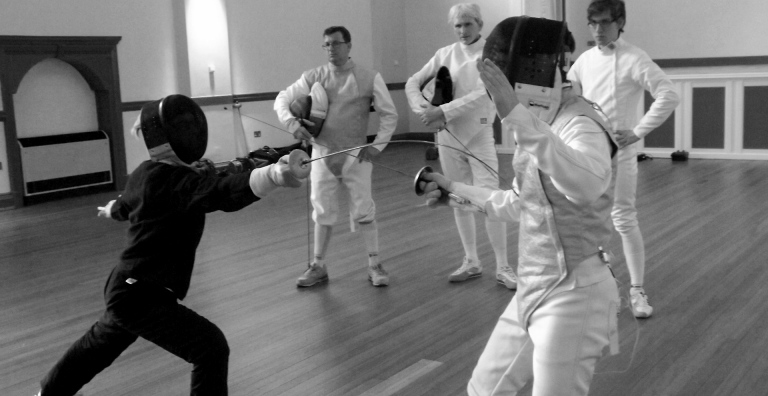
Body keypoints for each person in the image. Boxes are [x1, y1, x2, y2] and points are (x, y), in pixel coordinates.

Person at [35, 94, 307, 396]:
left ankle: (49, 392)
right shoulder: (171, 182)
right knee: (210, 348)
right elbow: (219, 193)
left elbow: (126, 204)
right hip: (140, 293)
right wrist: (273, 176)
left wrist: (111, 209)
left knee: (100, 344)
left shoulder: (146, 174)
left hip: (129, 288)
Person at [419, 17, 621, 395]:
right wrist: (454, 190)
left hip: (576, 293)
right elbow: (519, 203)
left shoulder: (581, 123)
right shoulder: (541, 120)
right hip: (533, 286)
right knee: (484, 389)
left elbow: (587, 186)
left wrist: (516, 115)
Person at [568, 0, 679, 319]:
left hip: (622, 153)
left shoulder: (634, 58)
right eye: (593, 24)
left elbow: (669, 95)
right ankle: (594, 285)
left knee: (624, 218)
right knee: (585, 218)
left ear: (619, 22)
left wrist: (637, 131)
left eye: (604, 23)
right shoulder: (584, 61)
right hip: (588, 152)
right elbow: (569, 99)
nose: (598, 30)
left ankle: (637, 290)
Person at [274, 26, 398, 287]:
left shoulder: (368, 76)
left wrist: (377, 145)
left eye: (336, 44)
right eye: (327, 44)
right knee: (321, 210)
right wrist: (292, 124)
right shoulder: (314, 76)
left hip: (356, 154)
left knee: (364, 208)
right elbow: (282, 99)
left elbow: (390, 114)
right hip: (321, 153)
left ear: (349, 45)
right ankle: (318, 266)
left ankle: (374, 264)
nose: (331, 49)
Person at [405, 3, 516, 289]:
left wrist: (442, 112)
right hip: (447, 136)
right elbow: (412, 83)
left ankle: (503, 266)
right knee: (456, 195)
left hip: (479, 134)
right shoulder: (444, 54)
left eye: (468, 25)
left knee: (490, 198)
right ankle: (471, 260)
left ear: (479, 24)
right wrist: (424, 108)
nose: (462, 31)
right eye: (457, 26)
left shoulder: (491, 54)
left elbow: (483, 94)